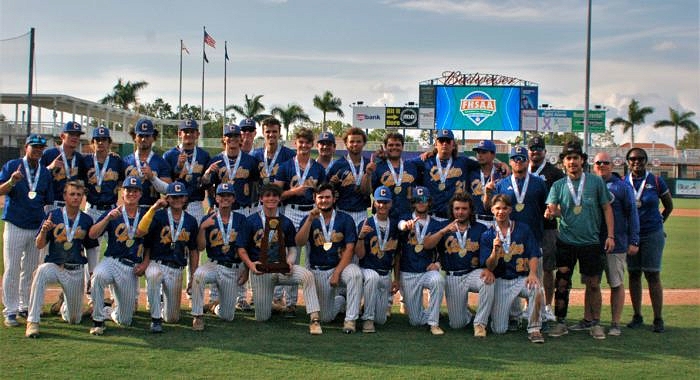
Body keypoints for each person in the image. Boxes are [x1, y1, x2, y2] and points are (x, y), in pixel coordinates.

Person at [545, 141, 614, 340]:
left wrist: (610, 235)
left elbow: (607, 208)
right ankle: (560, 322)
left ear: (582, 160)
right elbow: (553, 208)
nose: (572, 162)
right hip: (566, 242)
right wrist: (550, 212)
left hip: (591, 242)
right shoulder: (558, 185)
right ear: (563, 163)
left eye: (576, 158)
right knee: (562, 283)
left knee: (593, 284)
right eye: (568, 158)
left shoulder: (596, 182)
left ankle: (595, 323)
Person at [237, 184, 323, 334]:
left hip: (282, 268)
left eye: (275, 196)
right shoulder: (250, 221)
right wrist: (251, 266)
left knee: (307, 276)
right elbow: (241, 249)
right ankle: (271, 304)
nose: (271, 198)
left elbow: (293, 248)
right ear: (261, 199)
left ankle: (314, 319)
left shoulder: (286, 221)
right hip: (260, 270)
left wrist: (289, 262)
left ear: (279, 199)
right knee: (262, 317)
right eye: (267, 195)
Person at [25, 180, 98, 338]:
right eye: (72, 194)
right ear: (65, 196)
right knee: (41, 272)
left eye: (79, 195)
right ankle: (33, 321)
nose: (76, 198)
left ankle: (63, 305)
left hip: (76, 269)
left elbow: (91, 248)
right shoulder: (53, 215)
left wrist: (92, 273)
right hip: (56, 266)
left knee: (74, 319)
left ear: (82, 198)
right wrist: (44, 231)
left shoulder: (86, 220)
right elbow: (39, 245)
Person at [295, 183, 362, 333]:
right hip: (319, 269)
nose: (324, 200)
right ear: (315, 198)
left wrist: (337, 273)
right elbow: (299, 242)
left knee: (355, 274)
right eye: (320, 197)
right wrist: (309, 221)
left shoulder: (345, 218)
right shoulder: (310, 219)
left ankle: (350, 320)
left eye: (327, 197)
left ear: (333, 199)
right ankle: (341, 301)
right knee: (326, 317)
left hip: (341, 267)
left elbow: (350, 249)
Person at [1, 134, 53, 328]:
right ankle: (10, 310)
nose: (38, 150)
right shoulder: (13, 165)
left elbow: (47, 201)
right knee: (12, 268)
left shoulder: (45, 173)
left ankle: (24, 305)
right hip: (15, 223)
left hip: (35, 226)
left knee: (30, 270)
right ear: (26, 147)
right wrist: (12, 182)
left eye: (41, 147)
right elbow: (1, 190)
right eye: (34, 147)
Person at [424, 193, 493, 337]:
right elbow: (427, 245)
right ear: (452, 210)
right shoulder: (443, 226)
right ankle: (467, 313)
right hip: (453, 275)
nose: (460, 212)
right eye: (457, 209)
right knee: (457, 324)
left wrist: (487, 269)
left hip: (473, 272)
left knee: (487, 281)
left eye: (464, 209)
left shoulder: (480, 228)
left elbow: (486, 252)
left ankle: (480, 323)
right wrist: (444, 231)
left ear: (470, 210)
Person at [480, 194, 545, 343]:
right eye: (497, 208)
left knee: (536, 287)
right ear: (492, 210)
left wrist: (533, 273)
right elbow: (489, 266)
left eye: (504, 208)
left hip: (521, 278)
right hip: (501, 281)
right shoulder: (487, 235)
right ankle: (505, 316)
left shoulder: (523, 229)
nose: (501, 212)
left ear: (510, 209)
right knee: (499, 329)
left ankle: (534, 328)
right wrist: (494, 252)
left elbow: (533, 253)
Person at [274, 128, 326, 314]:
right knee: (289, 254)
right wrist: (294, 192)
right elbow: (277, 194)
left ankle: (312, 299)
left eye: (307, 142)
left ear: (312, 145)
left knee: (312, 254)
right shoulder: (286, 166)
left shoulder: (318, 168)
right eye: (300, 142)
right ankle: (286, 300)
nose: (303, 146)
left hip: (310, 211)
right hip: (290, 210)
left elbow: (323, 193)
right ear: (295, 144)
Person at [87, 176, 147, 334]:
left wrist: (145, 264)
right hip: (111, 260)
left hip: (131, 267)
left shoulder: (146, 216)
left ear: (140, 194)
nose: (131, 194)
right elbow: (92, 234)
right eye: (128, 190)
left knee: (125, 320)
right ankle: (98, 320)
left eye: (135, 191)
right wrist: (107, 218)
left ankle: (109, 311)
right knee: (98, 277)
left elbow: (150, 245)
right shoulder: (113, 213)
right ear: (122, 193)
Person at [136, 182, 199, 333]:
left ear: (185, 198)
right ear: (167, 199)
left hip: (176, 267)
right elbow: (145, 238)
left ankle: (162, 305)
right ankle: (155, 319)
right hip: (156, 262)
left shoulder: (190, 221)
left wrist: (193, 275)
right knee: (153, 276)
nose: (177, 200)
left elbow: (193, 250)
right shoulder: (158, 216)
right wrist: (145, 262)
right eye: (173, 197)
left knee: (172, 318)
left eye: (180, 196)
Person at [625, 147, 673, 333]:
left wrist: (660, 223)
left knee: (652, 274)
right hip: (632, 236)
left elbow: (668, 206)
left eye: (640, 158)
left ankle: (658, 318)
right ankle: (637, 315)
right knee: (634, 274)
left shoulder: (656, 181)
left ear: (646, 160)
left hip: (652, 233)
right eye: (632, 158)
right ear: (628, 161)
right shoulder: (624, 182)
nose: (636, 161)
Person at [592, 152, 639, 336]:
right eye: (598, 162)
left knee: (616, 283)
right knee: (593, 283)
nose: (601, 165)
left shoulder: (623, 187)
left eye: (605, 162)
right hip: (593, 242)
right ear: (593, 165)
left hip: (616, 243)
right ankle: (592, 320)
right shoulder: (589, 184)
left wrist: (634, 240)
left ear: (612, 165)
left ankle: (615, 323)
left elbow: (632, 214)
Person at [190, 183, 249, 330]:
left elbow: (245, 247)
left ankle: (214, 307)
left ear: (234, 198)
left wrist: (246, 271)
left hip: (232, 268)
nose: (225, 198)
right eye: (222, 195)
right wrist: (203, 227)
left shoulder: (241, 219)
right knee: (198, 275)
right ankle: (197, 316)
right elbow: (201, 247)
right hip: (213, 264)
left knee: (227, 316)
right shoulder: (208, 218)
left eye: (228, 195)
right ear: (216, 198)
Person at [396, 186, 446, 335]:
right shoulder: (405, 218)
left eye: (424, 199)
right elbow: (400, 226)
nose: (421, 203)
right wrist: (405, 226)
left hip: (426, 271)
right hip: (409, 272)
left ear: (429, 202)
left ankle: (433, 322)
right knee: (416, 321)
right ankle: (429, 314)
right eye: (417, 200)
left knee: (437, 279)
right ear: (413, 203)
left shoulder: (437, 224)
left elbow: (444, 251)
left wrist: (437, 264)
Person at [82, 126, 125, 301]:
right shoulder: (85, 161)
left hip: (111, 207)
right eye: (97, 140)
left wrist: (118, 185)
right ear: (92, 143)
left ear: (109, 143)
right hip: (92, 208)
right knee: (91, 250)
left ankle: (117, 294)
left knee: (116, 248)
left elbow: (124, 178)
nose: (101, 143)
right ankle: (93, 293)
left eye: (104, 140)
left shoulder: (116, 161)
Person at [527, 136, 565, 322]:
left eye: (539, 148)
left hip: (547, 227)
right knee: (525, 267)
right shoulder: (521, 169)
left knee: (549, 269)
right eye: (532, 148)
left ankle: (548, 306)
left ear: (545, 151)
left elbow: (565, 199)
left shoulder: (555, 173)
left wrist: (555, 211)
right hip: (525, 227)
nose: (535, 151)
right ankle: (528, 306)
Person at [355, 186, 400, 333]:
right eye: (379, 201)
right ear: (374, 203)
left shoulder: (394, 225)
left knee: (381, 319)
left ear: (391, 203)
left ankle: (367, 308)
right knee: (372, 277)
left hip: (385, 273)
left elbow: (397, 255)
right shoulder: (366, 223)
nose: (382, 205)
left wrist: (396, 278)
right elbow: (360, 255)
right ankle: (367, 319)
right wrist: (361, 237)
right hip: (367, 270)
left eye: (385, 202)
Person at [413, 129, 479, 219]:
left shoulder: (463, 162)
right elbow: (403, 164)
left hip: (453, 217)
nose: (444, 143)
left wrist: (501, 165)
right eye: (441, 141)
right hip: (430, 217)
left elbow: (485, 164)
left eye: (448, 141)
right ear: (436, 144)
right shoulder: (425, 161)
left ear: (453, 145)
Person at [163, 119, 212, 224]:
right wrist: (179, 167)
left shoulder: (204, 155)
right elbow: (166, 182)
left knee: (196, 238)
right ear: (180, 134)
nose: (189, 134)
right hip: (175, 203)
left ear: (197, 134)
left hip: (196, 204)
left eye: (192, 131)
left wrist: (211, 204)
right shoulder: (169, 155)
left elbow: (207, 185)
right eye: (185, 131)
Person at [205, 124, 260, 217]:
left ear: (240, 138)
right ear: (224, 139)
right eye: (229, 136)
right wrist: (207, 174)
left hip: (243, 209)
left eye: (236, 136)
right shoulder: (216, 160)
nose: (233, 138)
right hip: (221, 209)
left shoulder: (251, 161)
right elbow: (207, 185)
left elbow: (257, 183)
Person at [327, 128, 372, 226]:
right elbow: (328, 189)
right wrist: (332, 184)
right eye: (351, 141)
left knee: (361, 240)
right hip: (342, 211)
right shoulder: (337, 165)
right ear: (346, 144)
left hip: (363, 212)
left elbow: (369, 192)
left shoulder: (369, 164)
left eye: (358, 141)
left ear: (364, 143)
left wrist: (368, 174)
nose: (355, 144)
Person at [123, 118, 172, 206]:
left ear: (153, 138)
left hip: (151, 209)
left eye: (147, 136)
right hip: (130, 209)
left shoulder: (161, 162)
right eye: (140, 136)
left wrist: (152, 177)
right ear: (134, 137)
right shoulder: (125, 161)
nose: (143, 139)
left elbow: (167, 190)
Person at [40, 121, 87, 212]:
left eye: (77, 135)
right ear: (62, 136)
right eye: (71, 134)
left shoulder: (79, 158)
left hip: (72, 206)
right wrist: (50, 167)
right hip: (52, 205)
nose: (75, 137)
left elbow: (82, 180)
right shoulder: (49, 154)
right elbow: (37, 176)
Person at [371, 132, 420, 220]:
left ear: (402, 147)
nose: (394, 147)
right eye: (391, 145)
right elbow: (370, 190)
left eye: (397, 145)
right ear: (385, 147)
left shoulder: (412, 166)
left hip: (407, 216)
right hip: (383, 217)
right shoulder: (378, 167)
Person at [467, 140, 506, 227]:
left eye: (484, 152)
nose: (480, 155)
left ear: (493, 155)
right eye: (478, 152)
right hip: (474, 220)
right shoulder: (471, 173)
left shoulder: (501, 174)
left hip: (495, 221)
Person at [251, 117, 296, 187]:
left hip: (283, 197)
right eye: (268, 132)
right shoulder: (255, 155)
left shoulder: (290, 155)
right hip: (261, 197)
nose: (271, 134)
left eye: (274, 131)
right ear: (263, 133)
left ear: (279, 133)